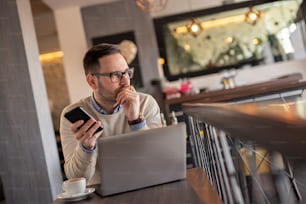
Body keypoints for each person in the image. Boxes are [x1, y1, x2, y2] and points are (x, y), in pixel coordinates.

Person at [60, 43, 162, 185]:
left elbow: (159, 161)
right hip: (102, 196)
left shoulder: (145, 103)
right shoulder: (73, 115)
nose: (126, 80)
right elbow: (76, 178)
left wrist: (136, 121)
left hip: (146, 186)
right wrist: (86, 148)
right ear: (92, 81)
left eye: (126, 72)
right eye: (116, 75)